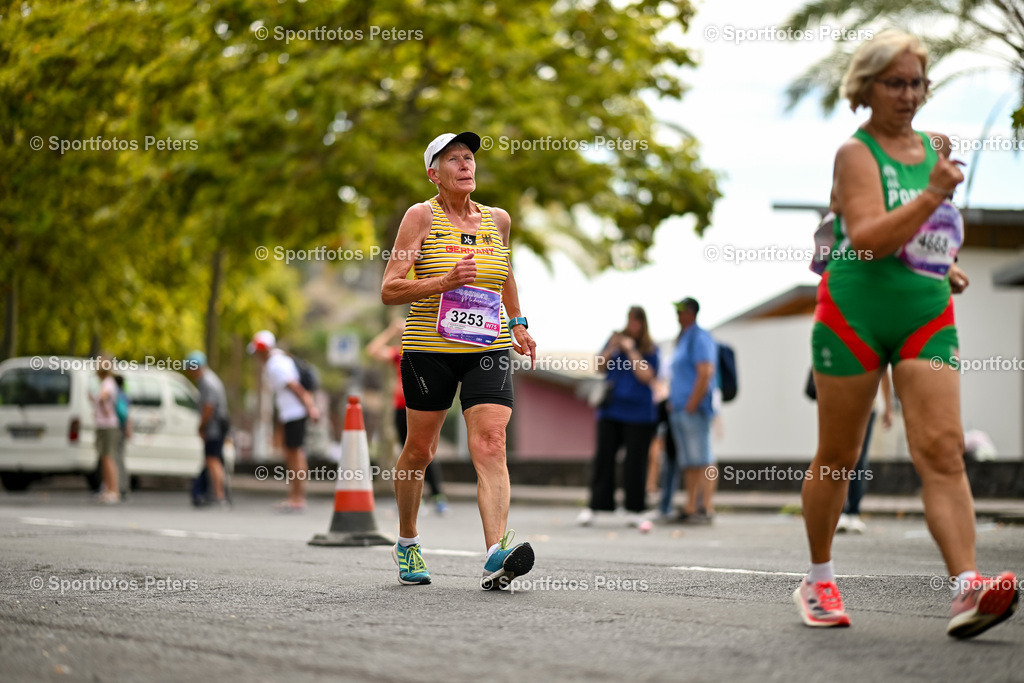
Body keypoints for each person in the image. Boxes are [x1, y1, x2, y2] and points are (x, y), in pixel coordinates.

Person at [795, 31, 1017, 638]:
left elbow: (932, 228)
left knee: (943, 450)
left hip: (925, 311)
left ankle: (968, 587)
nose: (909, 94)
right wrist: (934, 191)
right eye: (895, 83)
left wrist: (946, 263)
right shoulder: (855, 153)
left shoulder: (934, 148)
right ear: (865, 88)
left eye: (917, 82)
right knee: (838, 458)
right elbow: (868, 238)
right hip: (853, 314)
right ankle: (818, 578)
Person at [380, 131, 537, 589]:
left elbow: (504, 274)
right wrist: (443, 282)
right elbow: (390, 288)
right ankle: (408, 541)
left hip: (487, 347)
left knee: (491, 442)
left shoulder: (497, 220)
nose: (466, 164)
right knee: (420, 450)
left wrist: (518, 323)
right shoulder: (420, 216)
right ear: (434, 173)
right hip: (430, 349)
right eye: (453, 159)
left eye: (469, 157)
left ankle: (495, 554)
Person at [576, 306, 659, 527]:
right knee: (603, 459)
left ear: (643, 324)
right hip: (611, 410)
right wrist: (612, 348)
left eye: (637, 321)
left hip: (639, 414)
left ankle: (635, 508)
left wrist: (631, 351)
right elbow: (599, 367)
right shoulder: (615, 341)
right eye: (630, 320)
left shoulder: (650, 348)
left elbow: (647, 376)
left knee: (636, 462)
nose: (632, 325)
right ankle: (595, 506)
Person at [367, 318, 449, 515]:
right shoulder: (400, 353)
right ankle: (411, 499)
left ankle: (438, 496)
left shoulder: (428, 350)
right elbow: (373, 350)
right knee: (408, 453)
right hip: (401, 408)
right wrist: (391, 330)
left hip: (425, 407)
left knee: (425, 451)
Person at [248, 330, 320, 513]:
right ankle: (295, 496)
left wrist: (310, 406)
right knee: (293, 454)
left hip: (294, 413)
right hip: (291, 413)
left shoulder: (275, 365)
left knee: (295, 455)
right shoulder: (280, 359)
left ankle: (297, 498)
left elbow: (295, 386)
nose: (256, 356)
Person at [661, 297, 717, 524]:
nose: (678, 315)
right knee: (689, 461)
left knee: (703, 458)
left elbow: (705, 372)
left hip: (694, 409)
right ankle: (690, 506)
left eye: (681, 311)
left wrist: (692, 403)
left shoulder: (699, 337)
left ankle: (706, 507)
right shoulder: (682, 338)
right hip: (679, 409)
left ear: (691, 313)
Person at [836, 370, 893, 534]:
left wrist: (888, 407)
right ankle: (839, 511)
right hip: (840, 403)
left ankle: (853, 511)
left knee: (859, 457)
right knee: (839, 456)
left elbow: (884, 373)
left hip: (867, 406)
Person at [184, 351, 231, 507]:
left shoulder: (207, 382)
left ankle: (220, 495)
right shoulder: (208, 379)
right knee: (213, 459)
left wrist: (201, 426)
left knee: (213, 459)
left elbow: (209, 407)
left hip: (214, 427)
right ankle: (216, 493)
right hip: (216, 426)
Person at [91, 359, 121, 504]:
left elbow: (104, 397)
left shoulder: (108, 382)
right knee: (104, 458)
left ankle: (114, 491)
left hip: (108, 425)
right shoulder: (106, 382)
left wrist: (103, 408)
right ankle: (107, 489)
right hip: (103, 425)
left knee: (108, 458)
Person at [113, 374, 132, 499]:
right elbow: (128, 413)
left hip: (117, 427)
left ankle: (119, 486)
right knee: (121, 457)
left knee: (116, 458)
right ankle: (124, 486)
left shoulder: (115, 394)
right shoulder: (124, 394)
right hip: (123, 427)